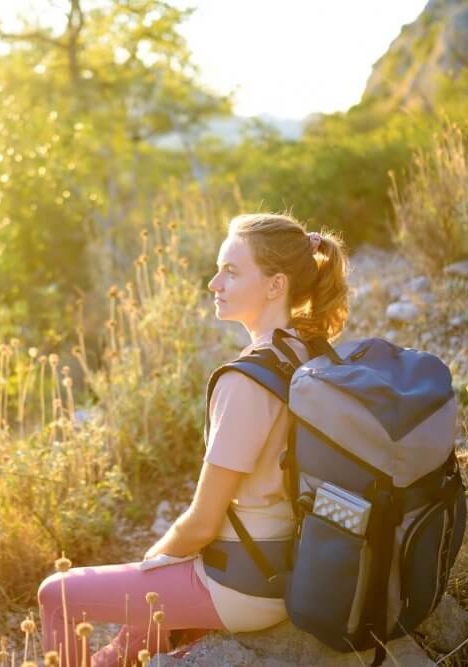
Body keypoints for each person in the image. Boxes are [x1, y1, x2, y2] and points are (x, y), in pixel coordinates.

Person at [36, 213, 350, 667]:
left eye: (232, 271)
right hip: (290, 567)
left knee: (57, 594)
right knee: (125, 648)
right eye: (218, 268)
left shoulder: (247, 381)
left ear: (276, 285)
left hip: (242, 583)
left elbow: (202, 524)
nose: (213, 282)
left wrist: (153, 560)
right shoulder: (308, 350)